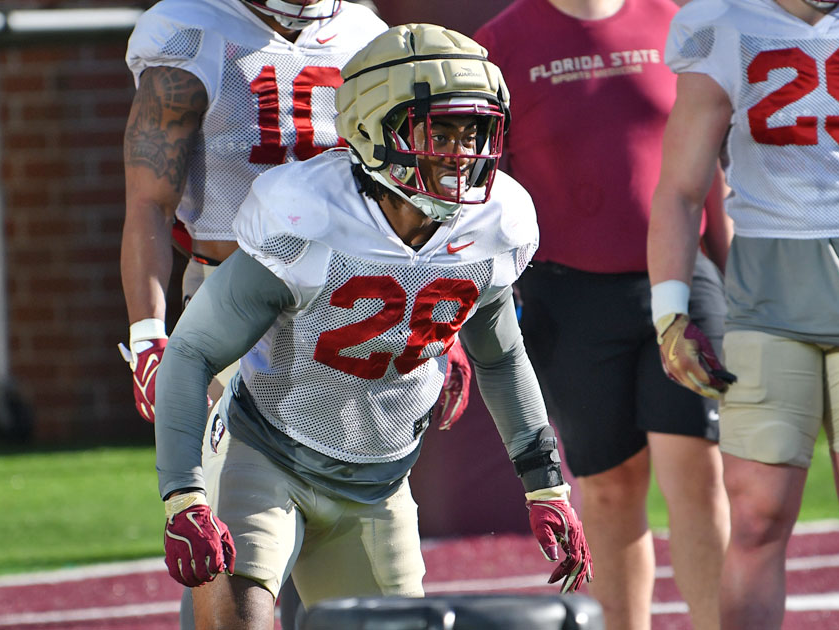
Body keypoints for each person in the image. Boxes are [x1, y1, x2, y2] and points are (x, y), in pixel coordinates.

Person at [152, 23, 592, 629]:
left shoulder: (497, 221)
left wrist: (546, 486)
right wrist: (184, 496)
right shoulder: (307, 216)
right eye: (440, 131)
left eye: (474, 131)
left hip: (378, 480)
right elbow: (192, 351)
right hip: (267, 453)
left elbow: (500, 356)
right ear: (371, 128)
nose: (460, 154)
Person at [649, 0, 839, 627]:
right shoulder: (724, 22)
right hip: (764, 297)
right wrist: (670, 310)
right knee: (756, 516)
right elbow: (678, 188)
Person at [119, 2, 387, 626]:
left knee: (348, 520)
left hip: (350, 309)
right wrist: (150, 334)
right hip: (232, 309)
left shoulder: (367, 35)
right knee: (233, 536)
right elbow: (148, 203)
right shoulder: (191, 28)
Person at [472, 1, 732, 628]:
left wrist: (730, 271)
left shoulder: (676, 19)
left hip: (681, 282)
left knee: (697, 474)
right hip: (568, 299)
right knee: (610, 491)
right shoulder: (502, 41)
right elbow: (481, 184)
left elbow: (705, 159)